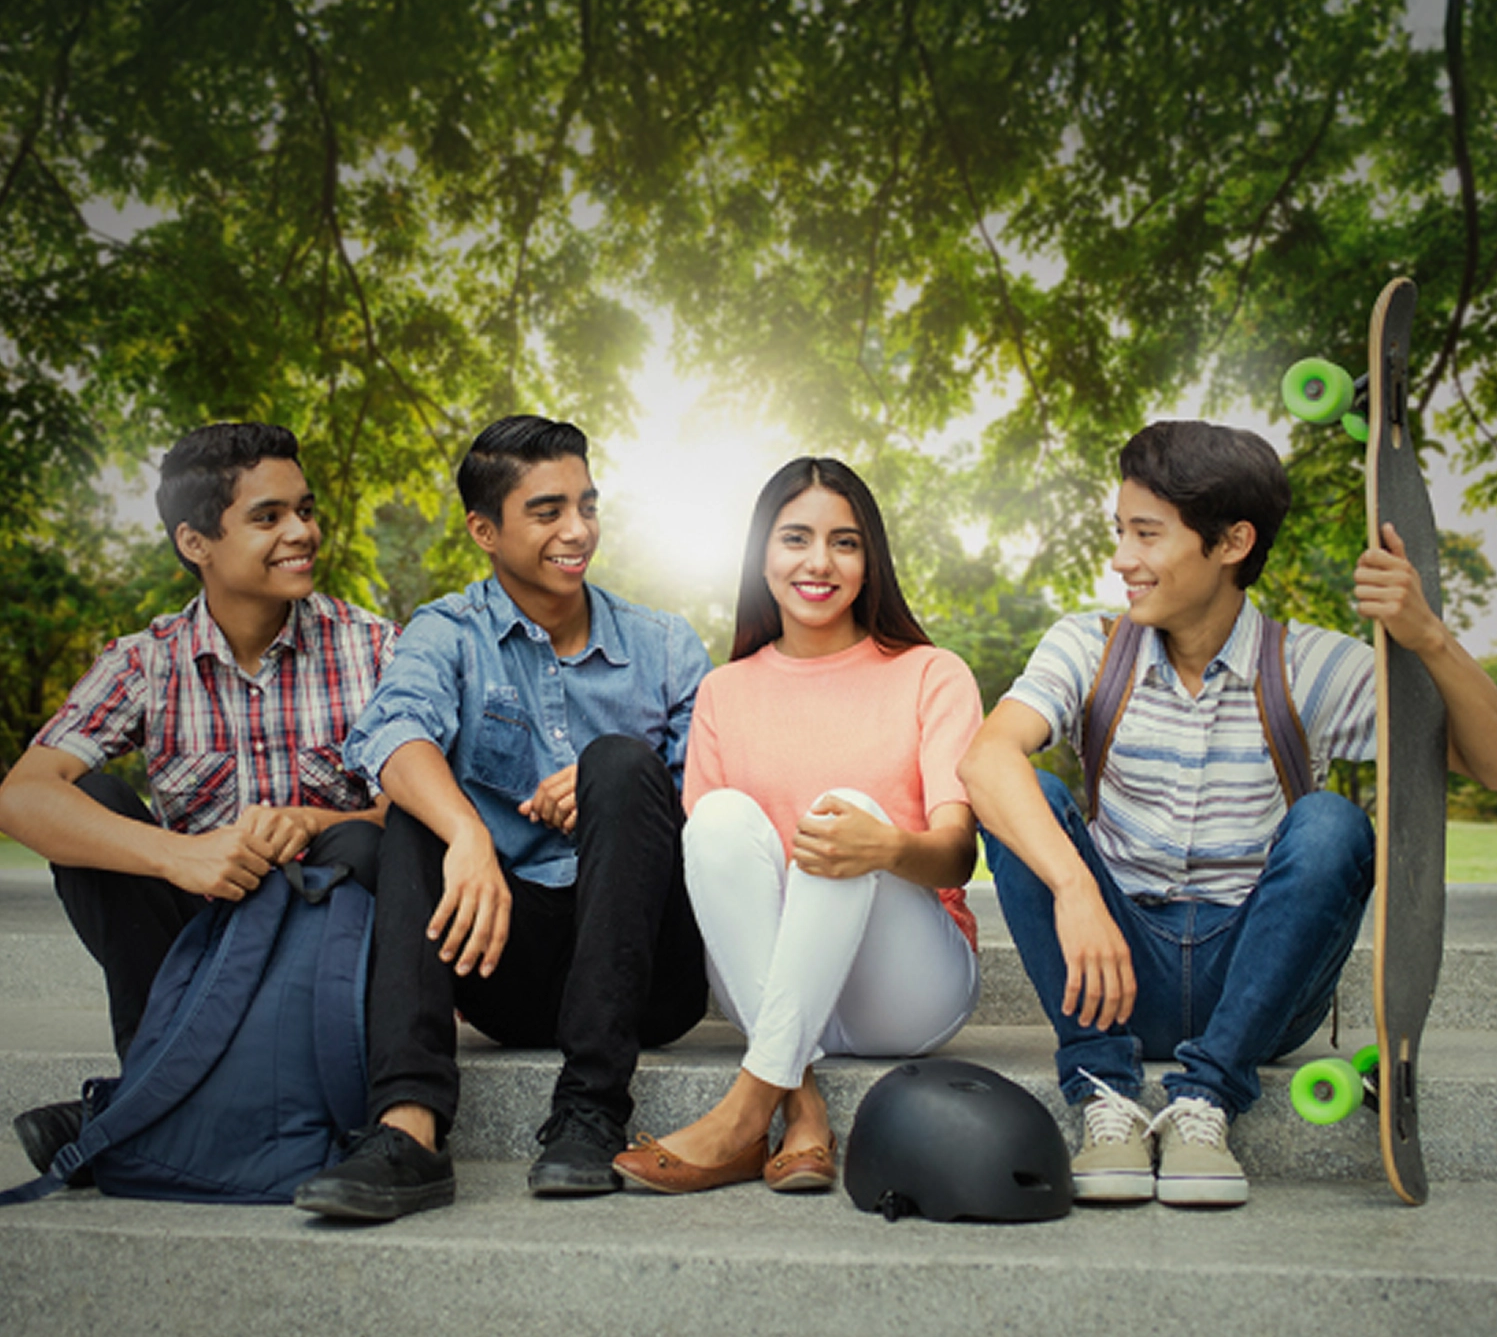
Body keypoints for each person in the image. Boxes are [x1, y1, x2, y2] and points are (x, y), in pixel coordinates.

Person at [960, 420, 1497, 1208]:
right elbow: (984, 759)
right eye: (1121, 531)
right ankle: (1104, 1094)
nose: (1122, 558)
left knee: (1332, 824)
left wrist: (1425, 634)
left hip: (1257, 985)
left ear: (1231, 543)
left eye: (1147, 534)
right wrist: (1076, 889)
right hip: (1113, 970)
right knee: (1030, 800)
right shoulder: (1087, 646)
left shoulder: (1312, 665)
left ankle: (1207, 1101)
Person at [293, 414, 711, 1221]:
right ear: (485, 530)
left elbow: (726, 787)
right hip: (506, 961)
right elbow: (391, 731)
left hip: (648, 967)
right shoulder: (447, 631)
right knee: (411, 815)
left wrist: (617, 786)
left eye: (587, 505)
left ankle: (591, 1110)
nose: (579, 530)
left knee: (622, 762)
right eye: (548, 511)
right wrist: (469, 834)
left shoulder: (664, 645)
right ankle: (408, 1131)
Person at [0, 421, 397, 1175]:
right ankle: (159, 1080)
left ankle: (134, 1106)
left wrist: (319, 819)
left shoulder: (376, 650)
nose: (302, 533)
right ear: (195, 544)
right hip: (190, 955)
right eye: (268, 517)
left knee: (372, 840)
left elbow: (416, 813)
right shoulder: (145, 661)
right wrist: (180, 856)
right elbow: (20, 798)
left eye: (304, 510)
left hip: (327, 949)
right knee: (95, 799)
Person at [613, 456, 982, 1195]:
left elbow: (958, 855)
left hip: (904, 988)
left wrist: (885, 848)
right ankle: (802, 1105)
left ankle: (747, 1112)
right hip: (772, 986)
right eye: (796, 539)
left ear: (870, 559)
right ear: (763, 555)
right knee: (713, 820)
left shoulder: (931, 673)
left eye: (845, 542)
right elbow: (714, 877)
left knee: (847, 810)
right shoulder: (723, 691)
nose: (820, 562)